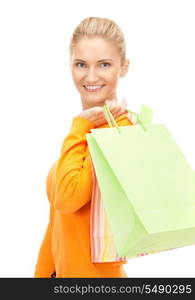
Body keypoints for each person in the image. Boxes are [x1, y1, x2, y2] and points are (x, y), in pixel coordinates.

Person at [34, 16, 134, 278]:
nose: (91, 77)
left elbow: (69, 197)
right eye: (81, 64)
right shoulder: (85, 130)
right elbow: (58, 223)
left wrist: (78, 126)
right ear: (71, 66)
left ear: (123, 67)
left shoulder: (120, 133)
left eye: (104, 64)